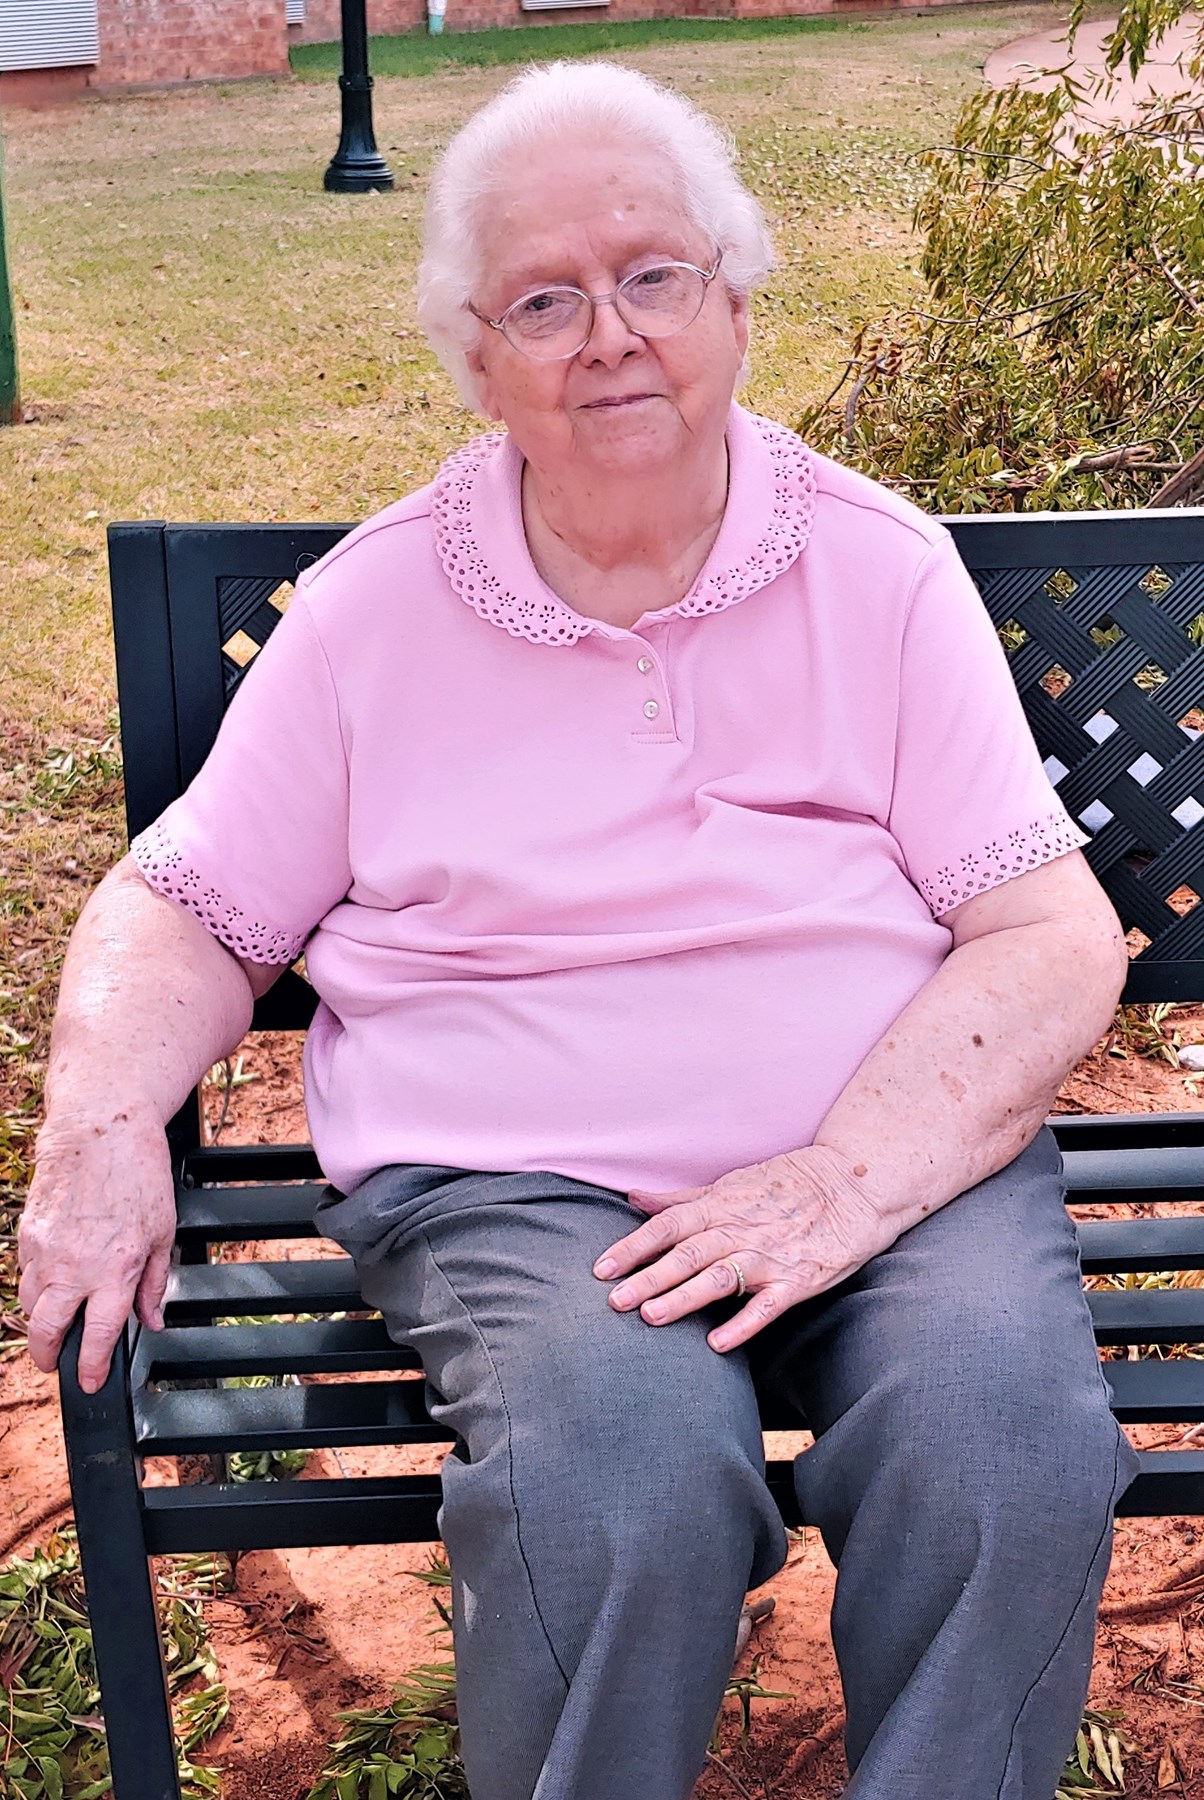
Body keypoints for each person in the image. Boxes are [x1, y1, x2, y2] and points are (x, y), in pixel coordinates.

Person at [19, 58, 1139, 1800]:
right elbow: (187, 907)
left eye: (652, 276)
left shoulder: (881, 569)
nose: (609, 336)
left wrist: (846, 1180)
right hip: (517, 1182)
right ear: (477, 360)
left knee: (1005, 1445)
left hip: (892, 1153)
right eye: (544, 300)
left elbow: (1050, 934)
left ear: (736, 303)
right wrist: (95, 1133)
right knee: (618, 1477)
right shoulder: (378, 610)